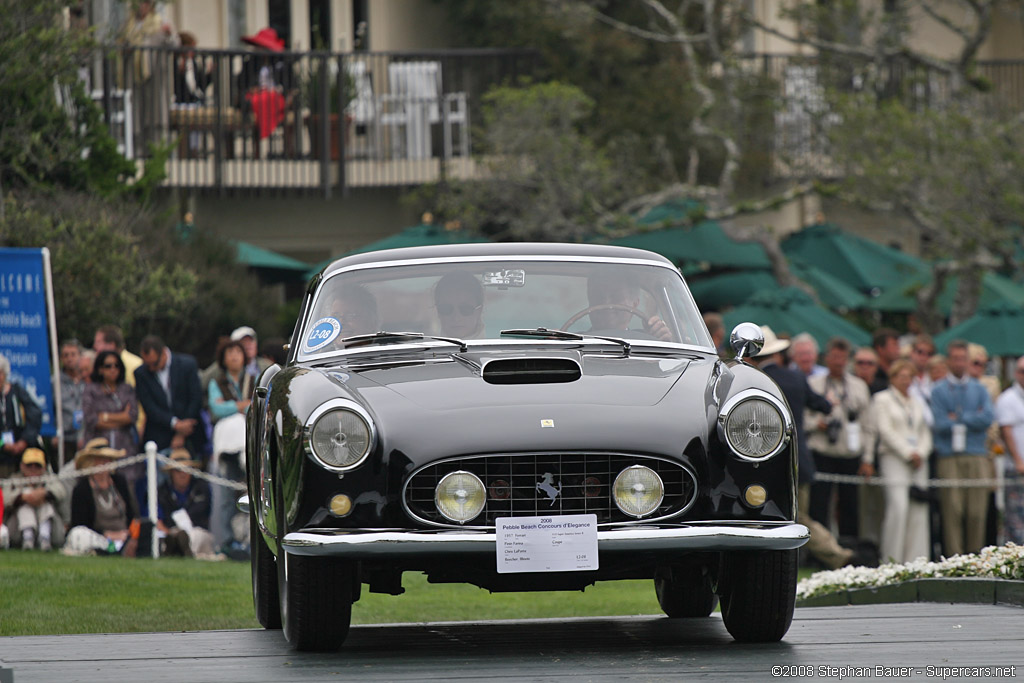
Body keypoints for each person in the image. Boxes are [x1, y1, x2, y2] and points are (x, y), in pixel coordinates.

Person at [751, 327, 852, 568]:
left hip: (770, 462)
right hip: (799, 458)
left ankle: (838, 555)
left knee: (795, 519)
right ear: (776, 354)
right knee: (797, 516)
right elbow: (824, 406)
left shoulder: (757, 380)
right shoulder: (796, 378)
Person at [930, 339, 995, 556]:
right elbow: (940, 424)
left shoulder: (979, 389)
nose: (959, 363)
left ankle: (975, 558)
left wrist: (957, 417)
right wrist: (971, 417)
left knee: (977, 512)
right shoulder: (938, 390)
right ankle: (954, 560)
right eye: (955, 358)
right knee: (953, 511)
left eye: (963, 358)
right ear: (949, 360)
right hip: (949, 456)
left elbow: (986, 418)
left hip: (977, 454)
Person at [806, 337, 872, 539]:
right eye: (834, 357)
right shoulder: (813, 384)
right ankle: (821, 552)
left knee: (850, 505)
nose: (838, 362)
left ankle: (849, 549)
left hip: (849, 454)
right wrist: (816, 424)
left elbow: (869, 426)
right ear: (826, 358)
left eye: (842, 357)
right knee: (819, 505)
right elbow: (801, 419)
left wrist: (868, 458)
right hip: (821, 453)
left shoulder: (858, 386)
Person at [875, 359, 933, 563]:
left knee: (919, 509)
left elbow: (925, 432)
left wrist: (920, 453)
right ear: (893, 378)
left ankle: (916, 560)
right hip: (894, 458)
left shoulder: (917, 402)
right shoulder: (882, 399)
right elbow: (885, 430)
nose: (907, 381)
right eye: (902, 376)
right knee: (898, 507)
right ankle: (892, 559)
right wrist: (908, 453)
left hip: (918, 461)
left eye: (910, 377)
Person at [208, 339, 252, 552]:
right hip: (227, 446)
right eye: (230, 352)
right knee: (227, 494)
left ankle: (252, 540)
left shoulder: (253, 380)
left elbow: (261, 405)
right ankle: (226, 542)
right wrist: (241, 405)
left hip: (250, 445)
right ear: (223, 359)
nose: (234, 356)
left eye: (238, 352)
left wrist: (231, 406)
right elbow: (216, 410)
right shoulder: (216, 383)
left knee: (254, 493)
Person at [135, 335, 206, 455]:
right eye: (148, 365)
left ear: (164, 353)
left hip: (191, 435)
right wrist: (175, 424)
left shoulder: (187, 365)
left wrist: (182, 431)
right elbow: (149, 407)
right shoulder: (141, 373)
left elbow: (196, 398)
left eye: (155, 363)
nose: (151, 368)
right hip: (159, 436)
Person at [68, 438, 138, 553]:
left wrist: (129, 534)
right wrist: (107, 534)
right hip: (99, 538)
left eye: (107, 459)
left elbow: (132, 515)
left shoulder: (120, 482)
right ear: (90, 462)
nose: (105, 463)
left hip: (125, 536)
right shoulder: (82, 489)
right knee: (79, 534)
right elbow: (79, 525)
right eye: (100, 459)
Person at [82, 350, 140, 486]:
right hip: (98, 448)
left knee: (128, 490)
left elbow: (132, 416)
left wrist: (105, 416)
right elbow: (91, 420)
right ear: (100, 369)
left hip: (125, 449)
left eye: (116, 365)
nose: (113, 369)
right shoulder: (91, 390)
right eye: (108, 366)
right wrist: (121, 418)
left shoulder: (127, 389)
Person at [2, 448, 68, 551]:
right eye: (29, 465)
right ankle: (28, 537)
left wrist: (44, 493)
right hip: (17, 531)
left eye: (37, 465)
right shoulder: (13, 480)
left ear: (44, 467)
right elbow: (5, 499)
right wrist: (23, 497)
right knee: (26, 502)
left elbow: (61, 491)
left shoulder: (50, 478)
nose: (33, 468)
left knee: (45, 504)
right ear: (22, 466)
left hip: (52, 530)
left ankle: (44, 537)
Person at [155, 448, 216, 558]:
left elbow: (204, 515)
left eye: (186, 469)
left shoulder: (201, 488)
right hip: (171, 531)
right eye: (178, 470)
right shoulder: (163, 491)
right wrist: (169, 532)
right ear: (171, 472)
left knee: (196, 536)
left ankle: (180, 548)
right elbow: (158, 521)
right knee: (171, 536)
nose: (182, 474)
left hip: (198, 532)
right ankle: (177, 546)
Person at [584, 273, 672, 341]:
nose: (606, 303)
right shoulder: (573, 344)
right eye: (598, 296)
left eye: (616, 297)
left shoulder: (646, 343)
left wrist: (660, 341)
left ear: (634, 304)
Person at [995, 357, 1024, 545]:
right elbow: (1006, 432)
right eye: (1022, 371)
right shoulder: (1008, 398)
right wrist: (1018, 461)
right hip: (1017, 468)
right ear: (1016, 373)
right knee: (1016, 518)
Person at [0, 353, 43, 478]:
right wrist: (2, 444)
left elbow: (34, 415)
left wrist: (24, 441)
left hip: (21, 451)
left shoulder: (17, 391)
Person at [57, 339, 86, 464]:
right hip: (65, 438)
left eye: (73, 354)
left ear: (80, 356)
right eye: (65, 355)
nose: (69, 358)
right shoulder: (55, 382)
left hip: (85, 436)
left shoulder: (87, 379)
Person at [434, 271, 485, 338]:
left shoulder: (500, 347)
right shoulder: (422, 347)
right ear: (438, 312)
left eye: (465, 309)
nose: (456, 318)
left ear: (479, 311)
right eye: (446, 309)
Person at [869, 328, 902, 393]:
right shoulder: (871, 374)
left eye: (898, 345)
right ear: (880, 348)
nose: (898, 348)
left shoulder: (898, 374)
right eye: (894, 344)